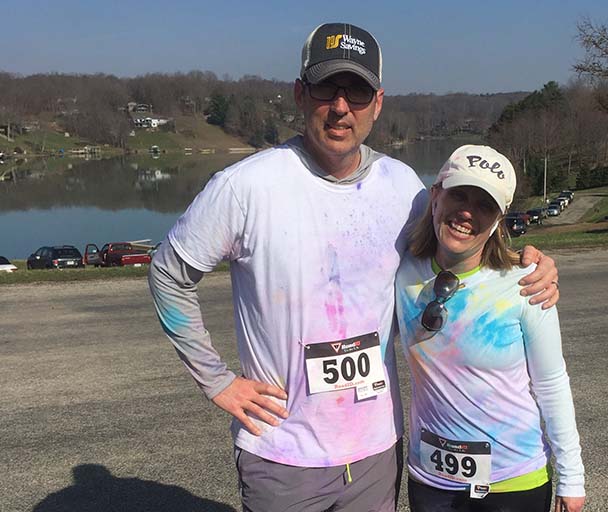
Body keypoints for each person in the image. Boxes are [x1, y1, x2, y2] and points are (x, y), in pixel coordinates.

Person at [148, 23, 561, 512]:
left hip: (375, 453)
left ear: (378, 103)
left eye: (358, 92)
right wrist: (217, 380)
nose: (341, 106)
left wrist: (522, 263)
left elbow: (455, 247)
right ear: (301, 94)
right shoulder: (245, 187)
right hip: (283, 453)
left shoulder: (402, 187)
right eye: (327, 88)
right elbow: (168, 274)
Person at [395, 145, 585, 512]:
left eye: (484, 205)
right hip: (431, 481)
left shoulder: (526, 283)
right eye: (459, 195)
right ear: (435, 196)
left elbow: (551, 383)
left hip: (512, 483)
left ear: (499, 219)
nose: (467, 212)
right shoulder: (403, 273)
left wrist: (571, 476)